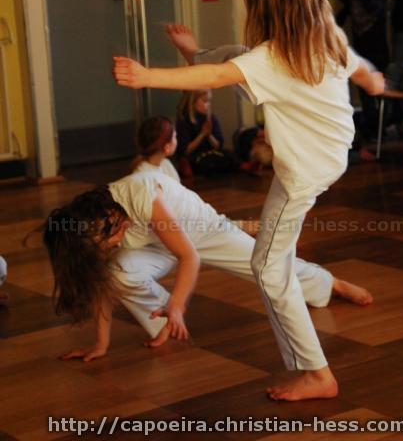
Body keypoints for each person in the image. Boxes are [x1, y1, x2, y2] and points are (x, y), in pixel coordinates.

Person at [113, 0, 384, 401]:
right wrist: (371, 79)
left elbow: (220, 77)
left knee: (268, 267)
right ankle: (318, 321)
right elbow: (355, 65)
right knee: (239, 57)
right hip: (332, 153)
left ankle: (317, 373)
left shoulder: (274, 57)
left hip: (303, 172)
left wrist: (147, 76)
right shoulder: (325, 37)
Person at [44, 114, 372, 363]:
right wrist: (100, 345)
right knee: (118, 271)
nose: (109, 246)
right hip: (158, 244)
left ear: (106, 219)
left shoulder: (139, 194)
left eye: (105, 242)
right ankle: (162, 325)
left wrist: (178, 304)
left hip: (203, 232)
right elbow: (101, 286)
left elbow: (190, 257)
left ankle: (330, 283)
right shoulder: (100, 226)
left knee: (264, 267)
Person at [337, 0, 389, 140]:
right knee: (365, 95)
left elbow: (374, 8)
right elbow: (340, 18)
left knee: (382, 92)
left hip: (379, 53)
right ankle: (371, 131)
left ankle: (382, 129)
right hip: (360, 53)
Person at [175, 90, 235, 177]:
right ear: (193, 102)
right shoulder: (184, 121)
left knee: (230, 157)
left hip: (210, 154)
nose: (208, 105)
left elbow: (218, 146)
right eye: (205, 101)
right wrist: (202, 134)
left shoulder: (211, 118)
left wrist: (209, 135)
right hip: (194, 157)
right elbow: (185, 151)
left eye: (209, 101)